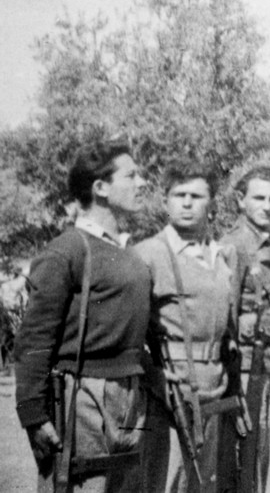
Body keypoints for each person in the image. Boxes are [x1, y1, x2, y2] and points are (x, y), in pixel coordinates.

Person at [14, 139, 151, 493]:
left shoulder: (128, 252)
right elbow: (34, 338)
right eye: (131, 175)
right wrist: (33, 413)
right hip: (83, 395)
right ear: (100, 188)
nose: (142, 183)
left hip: (130, 394)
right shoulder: (67, 250)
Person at [135, 163, 241, 493]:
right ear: (164, 202)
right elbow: (128, 334)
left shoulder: (221, 255)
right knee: (169, 481)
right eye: (178, 195)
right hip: (170, 390)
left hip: (213, 385)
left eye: (196, 196)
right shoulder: (148, 254)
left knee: (203, 482)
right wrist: (154, 376)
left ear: (212, 204)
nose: (186, 203)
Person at [219, 166, 270, 493]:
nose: (267, 207)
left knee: (267, 458)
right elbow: (227, 318)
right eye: (259, 198)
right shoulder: (234, 245)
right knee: (247, 460)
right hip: (246, 370)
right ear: (240, 199)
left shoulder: (269, 244)